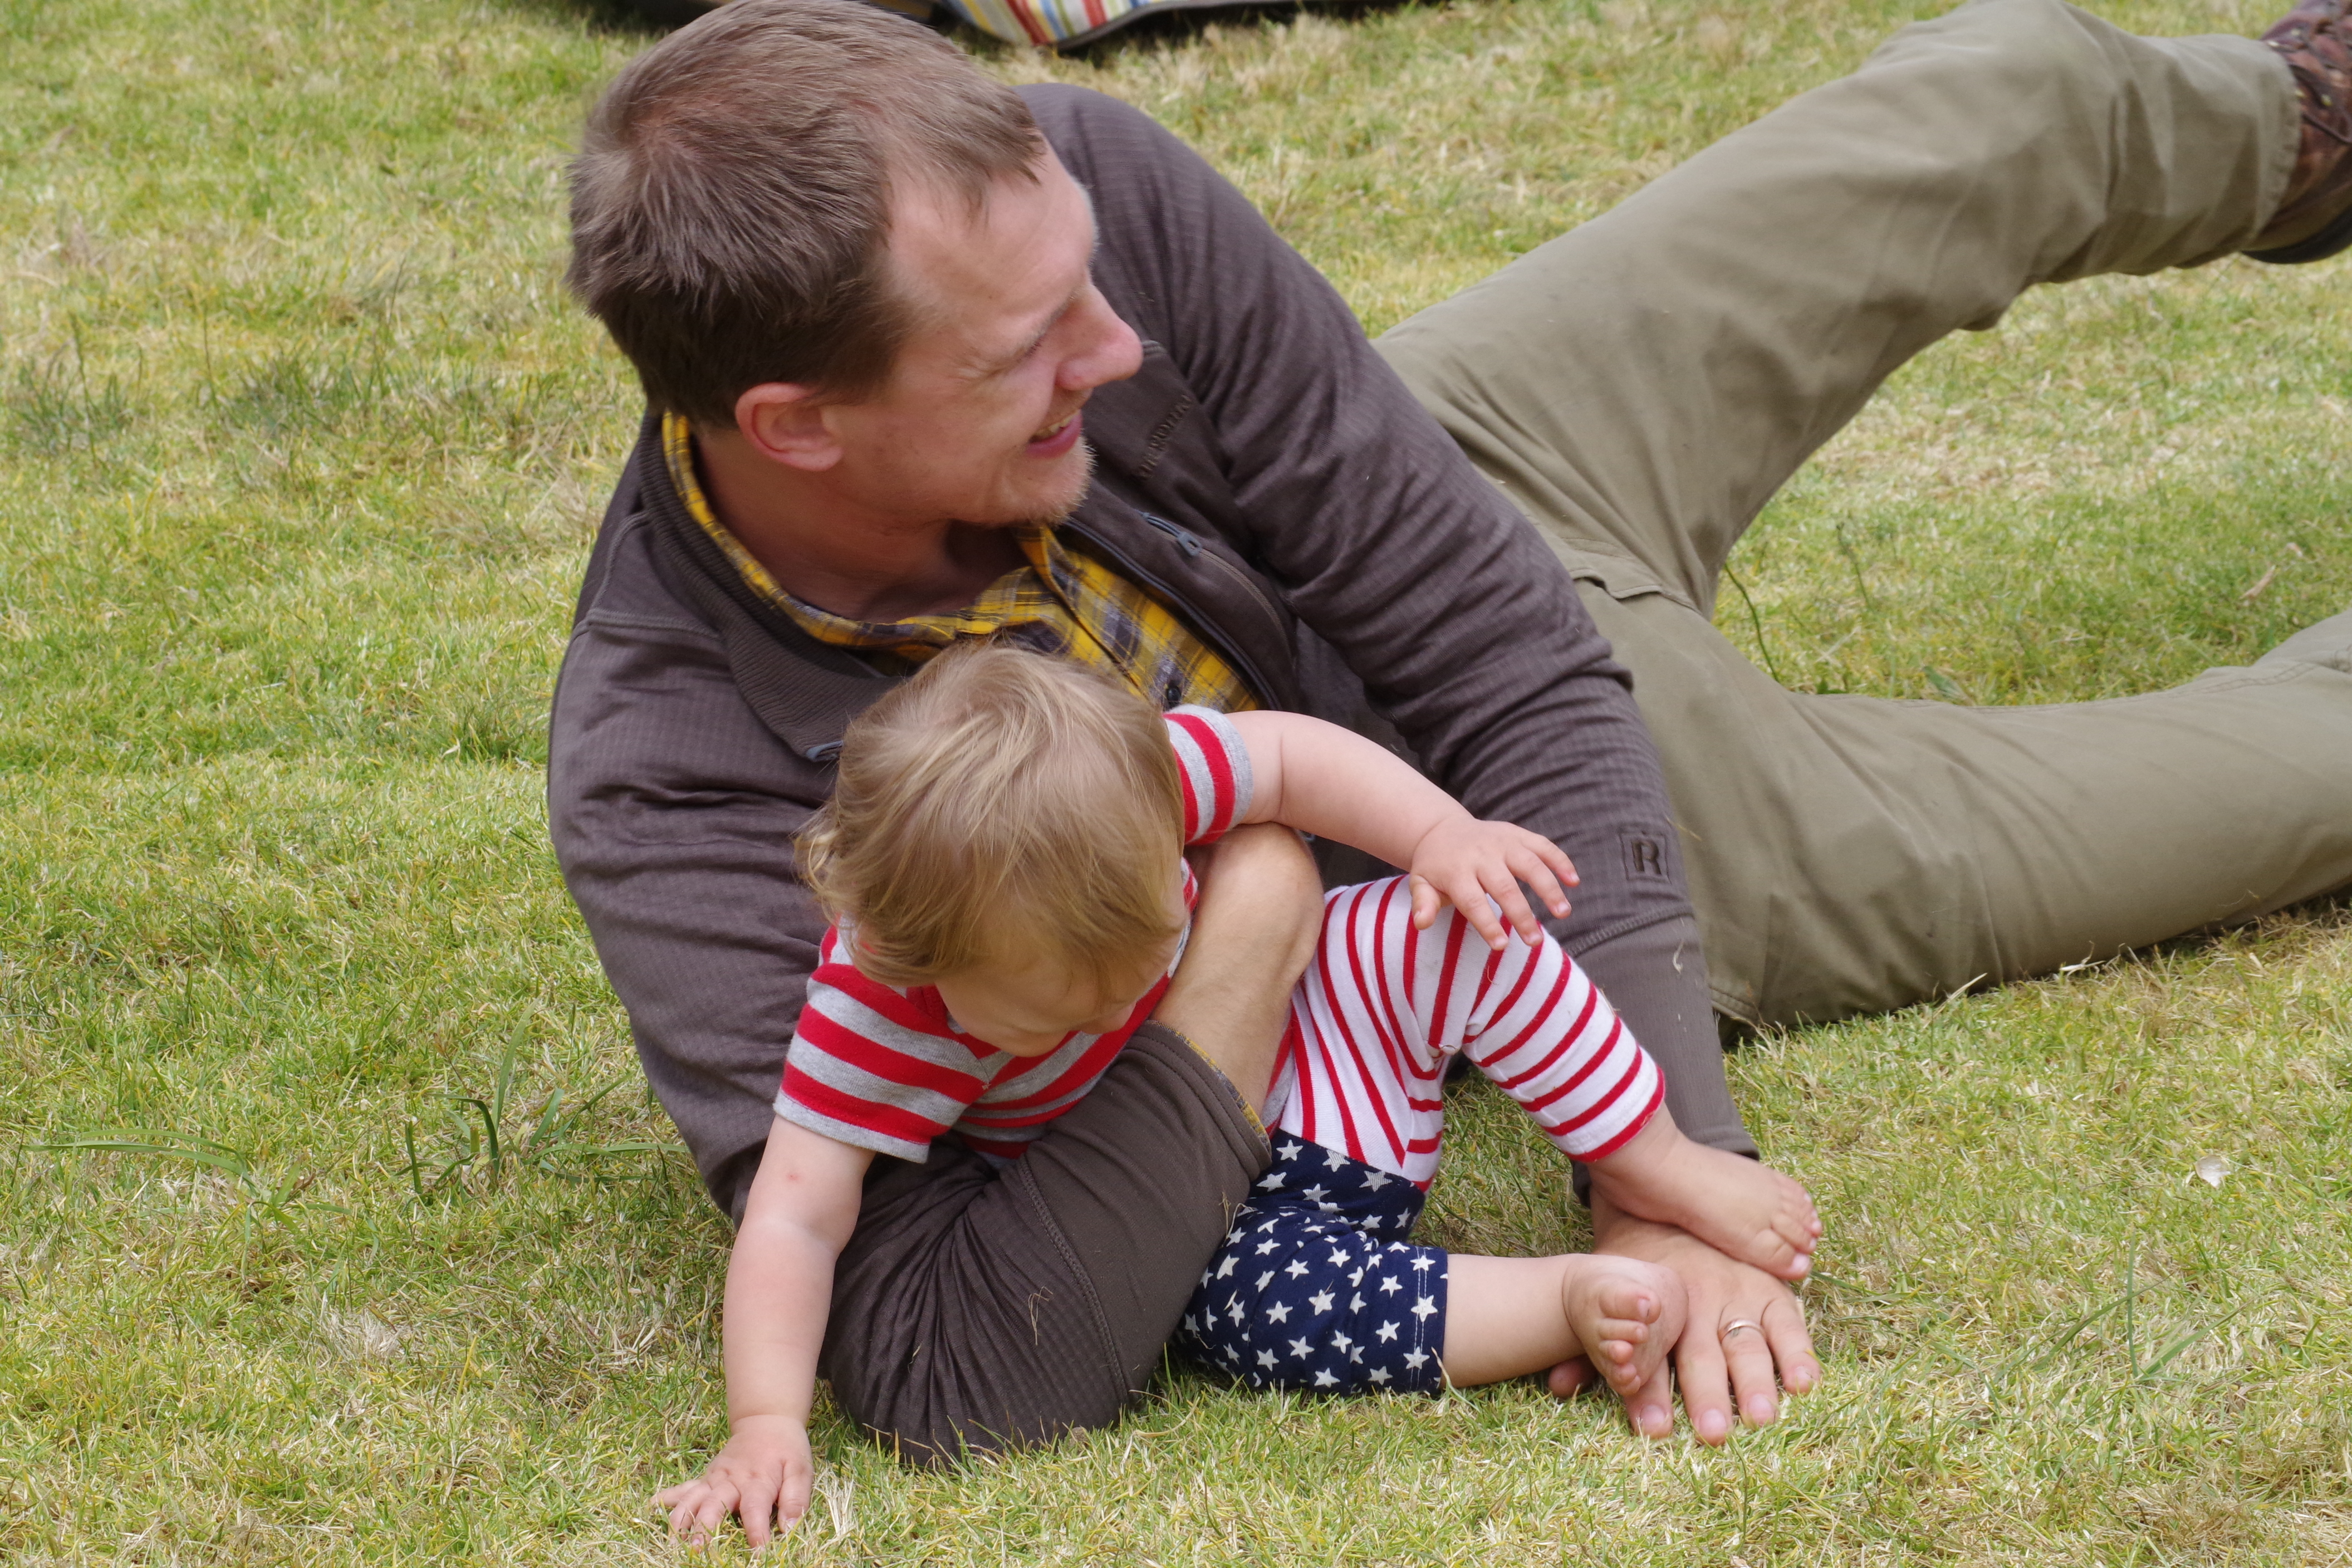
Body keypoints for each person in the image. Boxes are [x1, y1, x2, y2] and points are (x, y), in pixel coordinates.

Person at [550, 0, 2352, 1463]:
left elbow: (1487, 630)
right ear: (792, 426)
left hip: (1462, 514)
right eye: (1031, 346)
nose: (1115, 343)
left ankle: (2307, 125)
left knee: (2014, 89)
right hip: (1539, 882)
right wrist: (1247, 943)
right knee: (2309, 772)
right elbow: (954, 1362)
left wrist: (1652, 1160)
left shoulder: (1068, 187)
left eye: (1090, 281)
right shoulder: (674, 774)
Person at [654, 643, 1828, 1542]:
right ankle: (1558, 1301)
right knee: (1244, 1318)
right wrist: (766, 1421)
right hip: (1221, 1219)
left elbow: (1300, 757)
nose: (1110, 1013)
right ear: (926, 970)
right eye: (1059, 1012)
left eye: (1142, 959)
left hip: (1323, 1061)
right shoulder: (877, 1013)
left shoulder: (1127, 781)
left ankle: (1654, 1158)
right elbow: (798, 1214)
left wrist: (1441, 834)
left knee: (1452, 927)